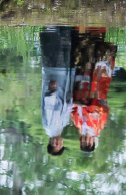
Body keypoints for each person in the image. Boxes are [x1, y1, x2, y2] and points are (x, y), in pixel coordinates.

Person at [70, 27, 118, 152]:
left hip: (80, 87)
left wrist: (73, 104)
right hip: (94, 88)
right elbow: (102, 109)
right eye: (88, 143)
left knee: (82, 59)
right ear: (93, 141)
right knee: (96, 57)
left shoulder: (79, 125)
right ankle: (98, 30)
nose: (86, 140)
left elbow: (72, 110)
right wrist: (86, 106)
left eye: (84, 143)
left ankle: (84, 31)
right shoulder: (98, 126)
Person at [40, 26, 76, 156]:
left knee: (54, 46)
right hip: (64, 79)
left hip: (55, 76)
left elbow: (49, 107)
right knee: (65, 44)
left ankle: (50, 23)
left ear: (50, 143)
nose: (58, 143)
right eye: (60, 145)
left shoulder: (50, 128)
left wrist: (52, 90)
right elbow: (67, 105)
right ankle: (64, 24)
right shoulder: (62, 125)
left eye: (55, 145)